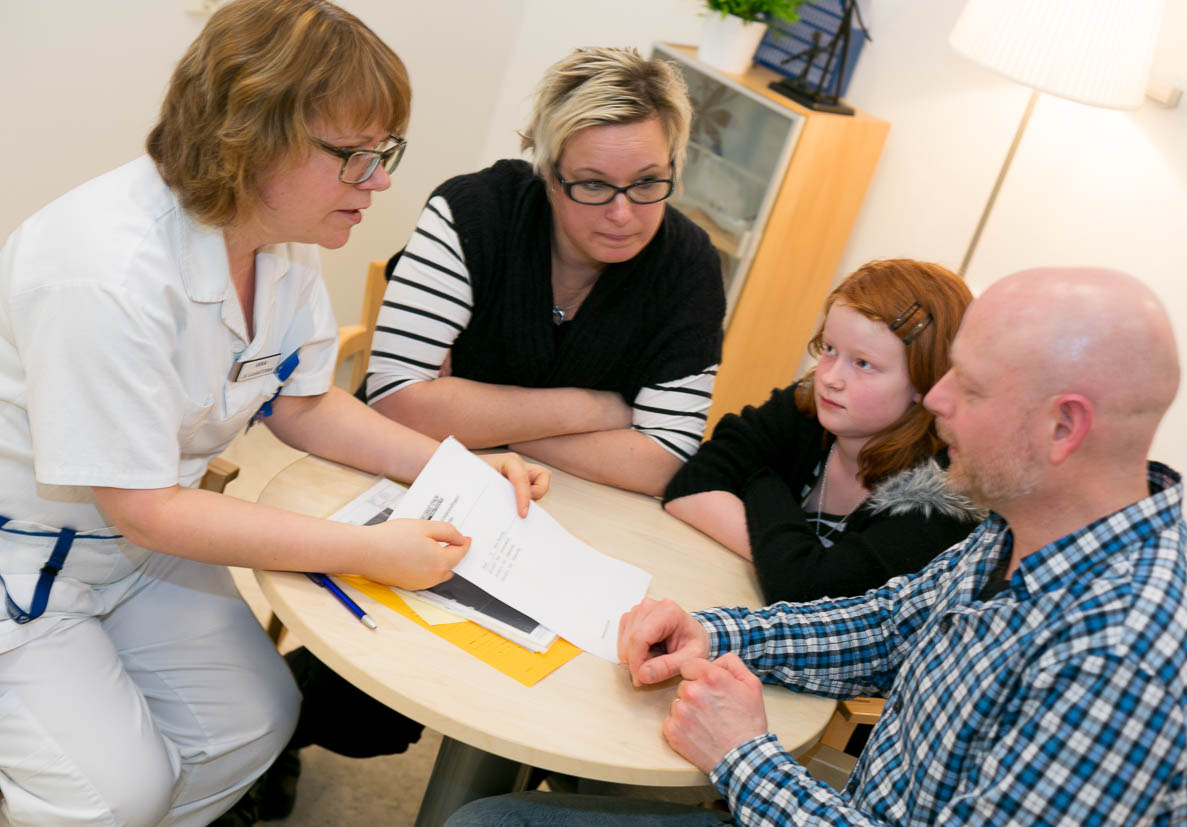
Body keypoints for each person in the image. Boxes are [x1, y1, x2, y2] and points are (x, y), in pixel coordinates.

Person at [0, 2, 547, 825]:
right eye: (356, 156)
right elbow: (145, 507)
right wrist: (369, 552)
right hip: (24, 560)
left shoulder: (272, 240)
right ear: (252, 138)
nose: (380, 182)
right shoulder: (103, 273)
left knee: (257, 718)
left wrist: (457, 468)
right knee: (114, 793)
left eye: (385, 152)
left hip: (134, 550)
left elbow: (304, 403)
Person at [446, 267, 1187, 826]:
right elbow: (884, 624)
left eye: (969, 386)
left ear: (1063, 426)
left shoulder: (1123, 657)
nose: (935, 399)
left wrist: (744, 755)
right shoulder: (1024, 529)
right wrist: (715, 632)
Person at [363, 46, 726, 498]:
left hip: (571, 506)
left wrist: (479, 421)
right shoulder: (474, 213)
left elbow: (666, 462)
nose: (622, 213)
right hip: (399, 478)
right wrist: (595, 409)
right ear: (549, 175)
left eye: (647, 182)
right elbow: (394, 404)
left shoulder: (688, 265)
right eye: (593, 183)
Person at [664, 259, 982, 605]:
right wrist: (787, 563)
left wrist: (761, 483)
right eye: (829, 349)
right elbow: (689, 486)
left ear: (926, 382)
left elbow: (813, 593)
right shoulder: (807, 406)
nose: (829, 378)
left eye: (863, 364)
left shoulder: (943, 491)